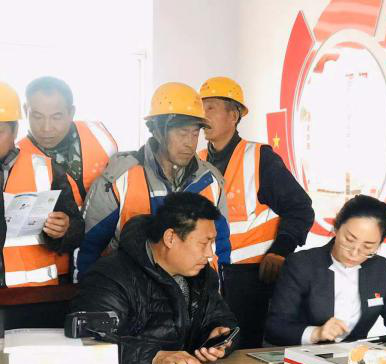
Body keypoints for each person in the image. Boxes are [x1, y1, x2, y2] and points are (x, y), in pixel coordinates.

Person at [198, 76, 314, 348]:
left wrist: (281, 250)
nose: (203, 116)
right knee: (211, 348)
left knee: (246, 352)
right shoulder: (198, 160)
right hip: (209, 275)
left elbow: (300, 209)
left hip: (252, 279)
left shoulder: (260, 158)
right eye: (201, 108)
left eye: (211, 107)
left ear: (234, 115)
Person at [72, 192, 238, 364]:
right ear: (170, 238)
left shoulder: (203, 275)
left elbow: (224, 320)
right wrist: (154, 357)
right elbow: (90, 340)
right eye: (203, 243)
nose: (209, 254)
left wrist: (221, 339)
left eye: (212, 243)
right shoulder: (110, 276)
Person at [76, 82, 230, 280]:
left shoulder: (211, 180)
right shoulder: (118, 179)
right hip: (131, 294)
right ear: (157, 130)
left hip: (195, 295)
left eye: (195, 133)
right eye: (182, 133)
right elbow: (88, 249)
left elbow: (221, 248)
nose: (190, 143)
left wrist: (216, 293)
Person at [265, 195, 386, 346]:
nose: (354, 253)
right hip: (301, 356)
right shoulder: (302, 264)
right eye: (349, 240)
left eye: (368, 247)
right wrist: (316, 333)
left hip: (353, 358)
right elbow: (275, 327)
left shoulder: (380, 268)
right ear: (336, 227)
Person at [0, 82, 83, 287]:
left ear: (15, 130)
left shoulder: (46, 169)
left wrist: (65, 229)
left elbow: (76, 228)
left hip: (35, 294)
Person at [20, 76, 117, 207]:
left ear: (71, 112)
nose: (46, 128)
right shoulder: (13, 160)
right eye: (37, 117)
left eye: (56, 117)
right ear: (25, 111)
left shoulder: (100, 136)